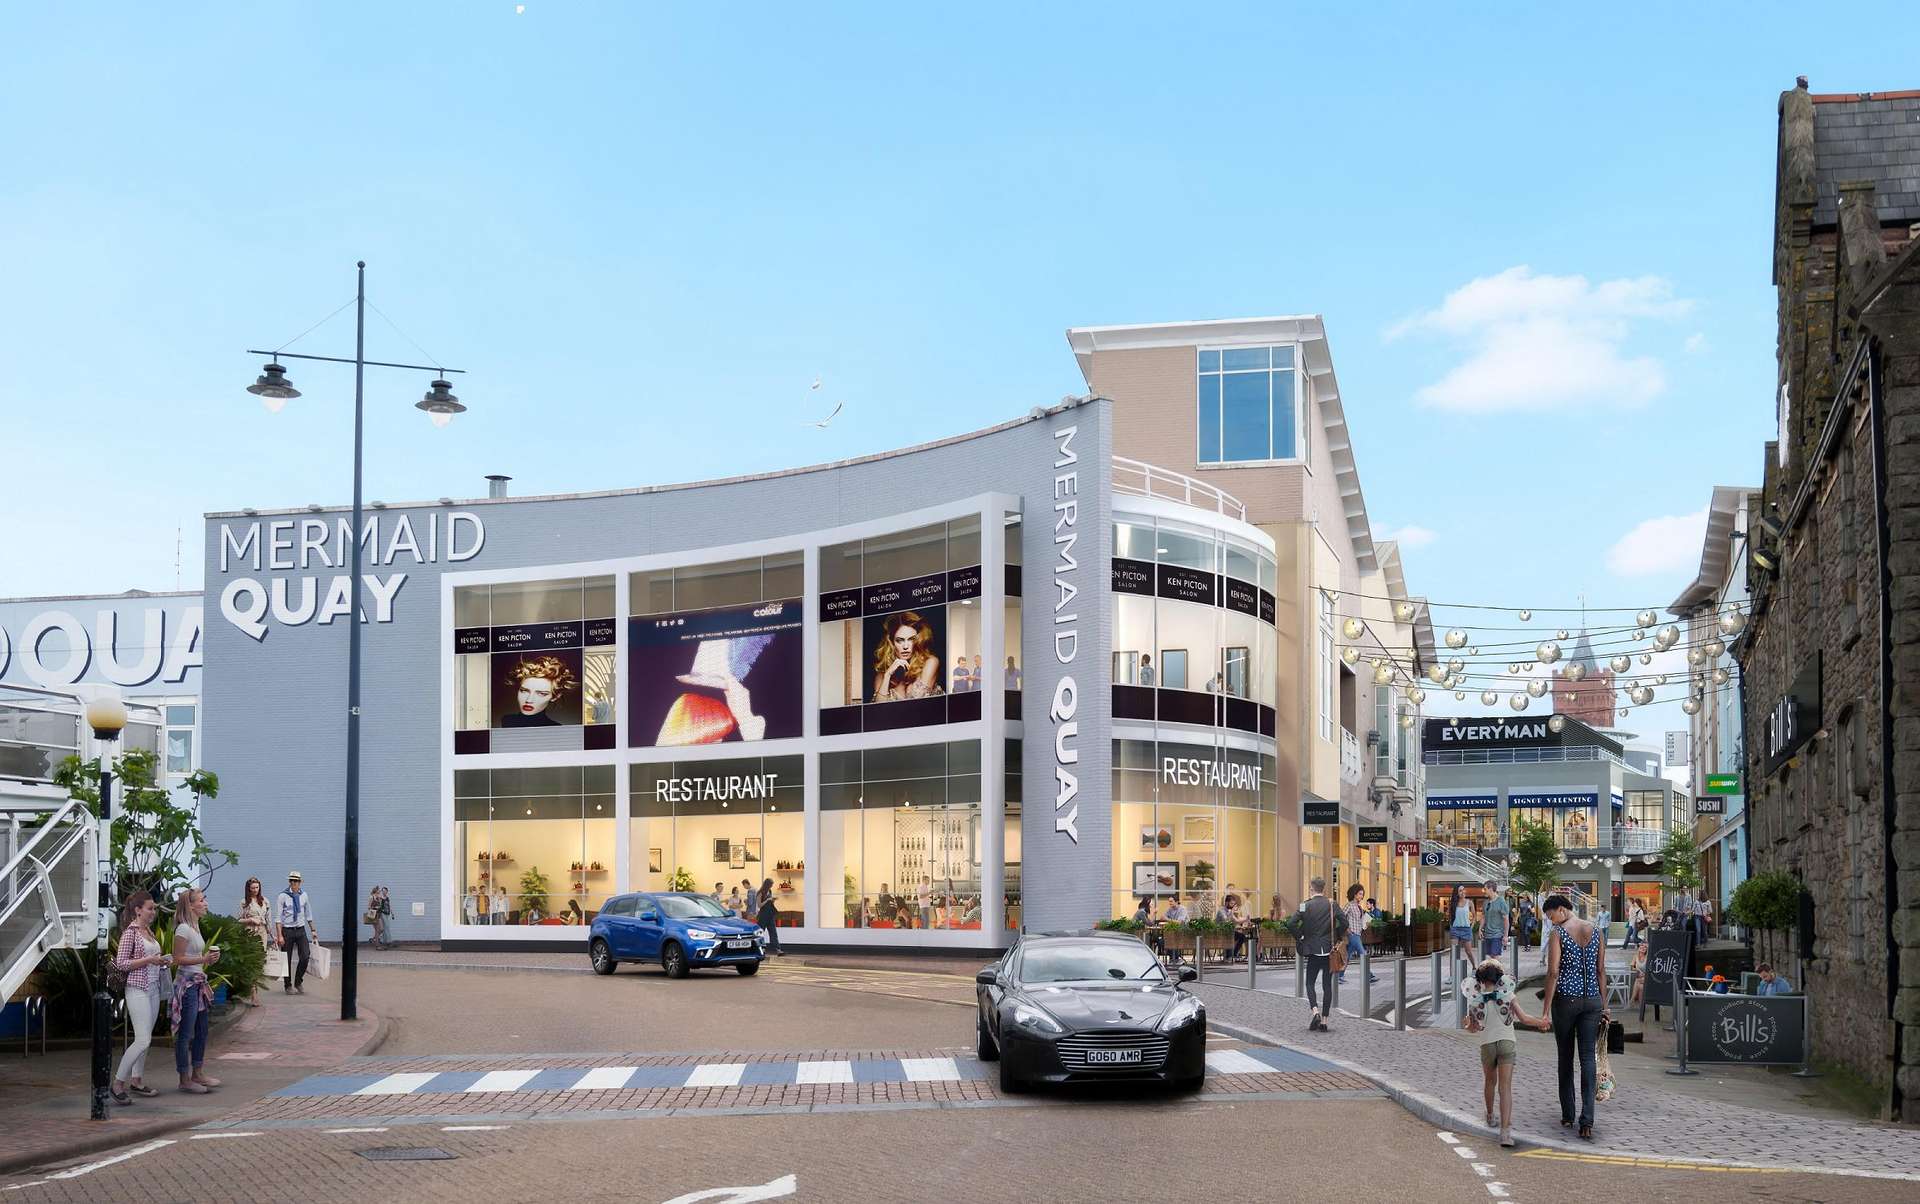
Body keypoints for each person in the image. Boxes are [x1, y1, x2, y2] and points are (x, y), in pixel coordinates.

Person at [1461, 957, 1550, 1148]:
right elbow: (1524, 1019)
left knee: (1489, 1082)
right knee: (1505, 1087)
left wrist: (1466, 1024)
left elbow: (1472, 1029)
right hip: (1507, 1043)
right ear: (1500, 978)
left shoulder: (1475, 1000)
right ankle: (1505, 1134)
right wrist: (1542, 1022)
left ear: (1480, 980)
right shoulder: (1508, 995)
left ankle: (1490, 1115)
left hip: (1487, 1044)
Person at [1540, 893, 1608, 1141]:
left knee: (1565, 1057)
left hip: (1566, 1000)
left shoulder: (1558, 933)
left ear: (1561, 909)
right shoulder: (1596, 930)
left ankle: (1568, 1114)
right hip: (1592, 1000)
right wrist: (1604, 1005)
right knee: (1588, 1058)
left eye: (1551, 916)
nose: (1551, 921)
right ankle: (1587, 1120)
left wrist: (1545, 1010)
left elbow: (1553, 972)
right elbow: (1601, 970)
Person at [110, 891, 172, 1104]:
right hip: (137, 989)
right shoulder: (131, 933)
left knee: (146, 1039)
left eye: (154, 908)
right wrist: (148, 960)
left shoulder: (148, 932)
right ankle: (117, 1083)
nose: (153, 912)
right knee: (142, 1039)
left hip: (153, 988)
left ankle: (136, 1080)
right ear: (138, 910)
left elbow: (150, 958)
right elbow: (121, 963)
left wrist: (161, 961)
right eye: (150, 908)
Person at [171, 887, 223, 1094]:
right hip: (188, 985)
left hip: (198, 983)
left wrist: (207, 960)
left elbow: (194, 957)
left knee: (202, 1030)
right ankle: (184, 1078)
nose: (205, 904)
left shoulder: (195, 926)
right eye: (201, 901)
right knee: (186, 1033)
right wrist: (203, 959)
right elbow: (177, 959)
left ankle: (198, 1072)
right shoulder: (183, 929)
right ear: (190, 905)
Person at [1295, 878, 1345, 1032]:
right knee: (1327, 985)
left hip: (1313, 950)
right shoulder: (1332, 904)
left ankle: (1315, 1011)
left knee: (1310, 983)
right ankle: (1324, 1021)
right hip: (1329, 950)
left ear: (1311, 889)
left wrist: (1300, 936)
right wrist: (1336, 935)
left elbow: (1291, 923)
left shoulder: (1305, 905)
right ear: (1323, 889)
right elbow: (1344, 922)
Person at [872, 611, 943, 702]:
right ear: (891, 642)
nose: (905, 646)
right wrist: (888, 675)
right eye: (899, 640)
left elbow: (917, 704)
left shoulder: (931, 662)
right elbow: (878, 707)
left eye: (911, 639)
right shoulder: (882, 675)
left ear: (919, 640)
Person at [500, 653, 577, 726]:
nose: (529, 700)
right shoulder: (507, 720)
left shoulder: (557, 729)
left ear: (555, 697)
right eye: (524, 691)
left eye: (541, 694)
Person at [273, 871, 316, 995]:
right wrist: (280, 935)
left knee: (305, 955)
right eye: (291, 880)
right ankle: (287, 985)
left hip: (300, 930)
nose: (293, 883)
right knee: (286, 959)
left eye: (296, 881)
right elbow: (278, 918)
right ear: (289, 882)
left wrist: (313, 930)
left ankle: (298, 981)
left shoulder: (304, 895)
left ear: (300, 882)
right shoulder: (283, 896)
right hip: (287, 931)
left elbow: (308, 914)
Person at [236, 877, 270, 1006]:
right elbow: (238, 920)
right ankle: (253, 993)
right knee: (251, 962)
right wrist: (250, 920)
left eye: (257, 887)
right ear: (248, 889)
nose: (255, 890)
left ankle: (254, 990)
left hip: (262, 933)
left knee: (260, 962)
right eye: (253, 888)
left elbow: (268, 919)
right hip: (250, 932)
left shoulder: (265, 901)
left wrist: (273, 934)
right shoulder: (244, 902)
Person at [1339, 883, 1375, 985]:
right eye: (1360, 894)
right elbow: (1341, 917)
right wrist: (1347, 929)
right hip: (1352, 934)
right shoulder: (1349, 905)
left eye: (1362, 894)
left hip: (1358, 933)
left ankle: (1339, 975)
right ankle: (1369, 975)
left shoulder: (1359, 906)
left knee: (1347, 956)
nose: (1361, 896)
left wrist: (1366, 923)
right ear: (1354, 894)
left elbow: (1360, 920)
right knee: (1363, 953)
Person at [1447, 885, 1474, 971]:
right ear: (1457, 893)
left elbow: (1474, 916)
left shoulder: (1469, 902)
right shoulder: (1453, 904)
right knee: (1453, 952)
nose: (1463, 892)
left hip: (1466, 929)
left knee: (1468, 952)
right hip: (1455, 929)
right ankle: (1452, 973)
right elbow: (1449, 917)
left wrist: (1471, 927)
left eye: (1463, 890)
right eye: (1460, 891)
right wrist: (1451, 927)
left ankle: (1474, 967)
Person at [756, 877, 784, 956]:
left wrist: (772, 900)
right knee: (760, 933)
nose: (772, 886)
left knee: (773, 933)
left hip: (770, 914)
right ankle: (760, 949)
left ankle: (778, 949)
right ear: (767, 884)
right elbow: (759, 905)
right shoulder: (760, 893)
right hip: (763, 915)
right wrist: (767, 900)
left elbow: (770, 903)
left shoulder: (770, 891)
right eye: (771, 884)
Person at [1482, 884, 1510, 960]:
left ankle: (1497, 968)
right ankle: (1497, 968)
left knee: (1495, 957)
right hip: (1487, 934)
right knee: (1491, 957)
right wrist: (1480, 929)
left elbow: (1506, 919)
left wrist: (1505, 936)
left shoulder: (1501, 901)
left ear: (1491, 889)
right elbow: (1483, 916)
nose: (1484, 891)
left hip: (1497, 934)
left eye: (1485, 889)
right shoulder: (1486, 902)